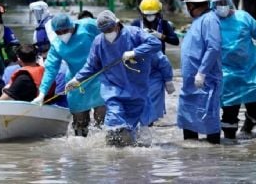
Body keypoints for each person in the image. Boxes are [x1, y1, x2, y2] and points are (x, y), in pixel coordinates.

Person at [66, 10, 161, 147]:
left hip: (136, 88)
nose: (108, 33)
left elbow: (155, 43)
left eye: (110, 29)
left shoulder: (134, 34)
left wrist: (135, 52)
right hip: (113, 88)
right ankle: (113, 157)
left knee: (131, 126)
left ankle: (128, 156)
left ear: (117, 24)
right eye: (104, 31)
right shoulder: (99, 42)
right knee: (114, 121)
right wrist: (77, 79)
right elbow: (91, 65)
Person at [210, 0, 256, 140]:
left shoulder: (244, 17)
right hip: (226, 74)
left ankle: (247, 130)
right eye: (218, 3)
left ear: (229, 2)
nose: (222, 6)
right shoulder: (210, 22)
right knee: (229, 114)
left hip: (250, 71)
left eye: (224, 2)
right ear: (212, 5)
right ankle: (230, 147)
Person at [31, 13, 105, 137]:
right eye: (58, 32)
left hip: (98, 77)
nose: (62, 34)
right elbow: (50, 69)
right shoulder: (56, 45)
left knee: (102, 121)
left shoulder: (87, 26)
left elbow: (109, 28)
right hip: (75, 83)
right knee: (80, 125)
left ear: (71, 26)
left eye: (65, 30)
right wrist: (42, 93)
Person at [177, 0, 222, 144]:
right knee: (188, 124)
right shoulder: (198, 21)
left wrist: (202, 72)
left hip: (204, 82)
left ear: (191, 5)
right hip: (190, 85)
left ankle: (215, 159)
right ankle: (191, 163)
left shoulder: (209, 20)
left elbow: (213, 47)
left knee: (209, 121)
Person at [140, 52, 175, 127]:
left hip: (153, 80)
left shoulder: (147, 47)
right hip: (138, 80)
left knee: (149, 109)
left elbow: (163, 62)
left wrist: (168, 80)